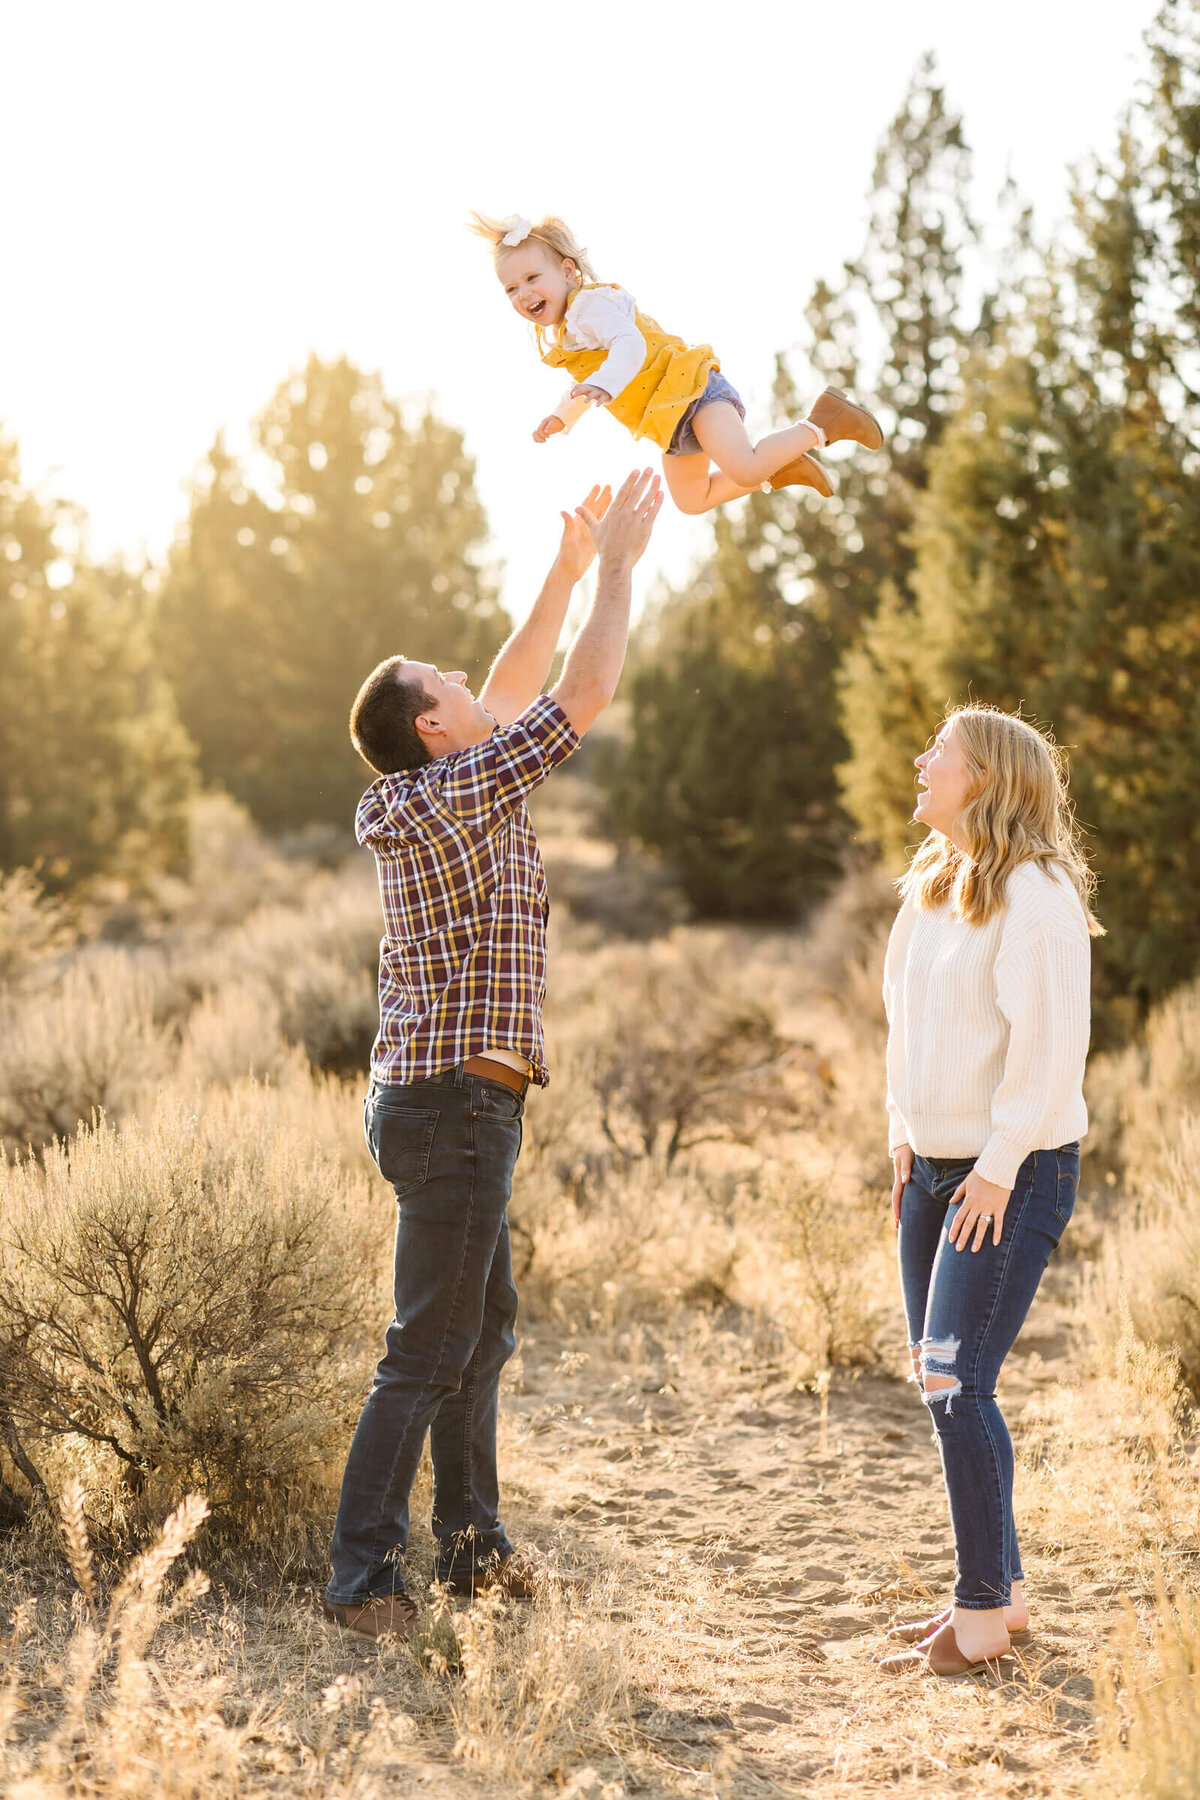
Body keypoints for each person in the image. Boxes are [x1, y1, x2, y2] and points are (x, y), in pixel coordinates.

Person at [323, 469, 662, 1640]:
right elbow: (581, 688)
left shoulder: (441, 784)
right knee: (426, 1349)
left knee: (479, 1334)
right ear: (432, 725)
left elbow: (514, 682)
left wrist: (564, 570)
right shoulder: (462, 789)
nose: (473, 682)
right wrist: (619, 565)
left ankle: (472, 1554)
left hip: (446, 1102)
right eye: (449, 682)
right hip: (457, 1107)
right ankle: (363, 1579)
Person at [878, 706, 1102, 1678]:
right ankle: (1001, 1596)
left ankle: (976, 1618)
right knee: (951, 1383)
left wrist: (998, 1167)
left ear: (988, 779)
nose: (923, 760)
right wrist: (901, 1128)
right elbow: (905, 1020)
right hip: (931, 1171)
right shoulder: (933, 884)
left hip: (1010, 1174)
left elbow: (1051, 1055)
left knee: (952, 1381)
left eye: (942, 752)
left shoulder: (1038, 898)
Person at [468, 211, 884, 516]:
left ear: (568, 271)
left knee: (741, 465)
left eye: (532, 279)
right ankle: (778, 467)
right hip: (668, 418)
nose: (523, 294)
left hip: (693, 392)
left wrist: (605, 385)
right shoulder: (568, 333)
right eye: (510, 289)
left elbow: (628, 345)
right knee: (692, 500)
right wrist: (563, 415)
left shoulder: (591, 307)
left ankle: (824, 422)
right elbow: (590, 381)